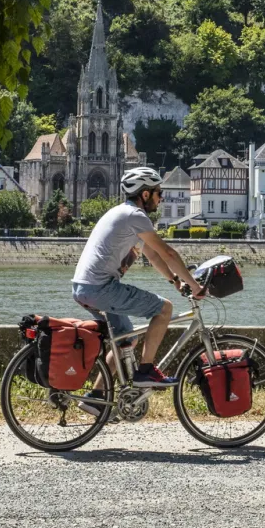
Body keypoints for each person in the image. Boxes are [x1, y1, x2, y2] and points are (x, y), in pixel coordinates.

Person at [71, 166, 204, 393]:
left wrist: (175, 281)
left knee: (125, 341)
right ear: (145, 194)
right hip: (100, 289)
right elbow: (168, 253)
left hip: (83, 287)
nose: (161, 198)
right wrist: (195, 285)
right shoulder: (135, 216)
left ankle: (96, 396)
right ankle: (145, 371)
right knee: (164, 309)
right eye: (158, 192)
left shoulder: (122, 213)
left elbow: (152, 255)